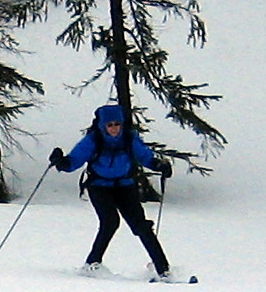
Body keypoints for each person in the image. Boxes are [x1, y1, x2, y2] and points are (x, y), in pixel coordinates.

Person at [50, 103, 176, 278]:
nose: (114, 128)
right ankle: (92, 264)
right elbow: (75, 160)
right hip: (99, 187)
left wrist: (159, 165)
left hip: (125, 185)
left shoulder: (129, 138)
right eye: (110, 125)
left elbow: (144, 156)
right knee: (110, 222)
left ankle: (163, 269)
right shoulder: (94, 140)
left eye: (117, 124)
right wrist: (62, 163)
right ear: (102, 125)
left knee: (141, 226)